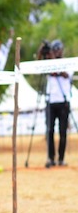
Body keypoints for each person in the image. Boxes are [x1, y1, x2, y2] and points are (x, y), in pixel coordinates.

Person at [43, 39, 72, 168]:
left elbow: (64, 74)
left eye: (57, 49)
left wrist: (53, 58)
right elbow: (40, 64)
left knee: (62, 131)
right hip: (50, 101)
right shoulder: (49, 63)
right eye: (54, 49)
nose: (56, 51)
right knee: (49, 130)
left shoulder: (68, 64)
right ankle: (50, 158)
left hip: (63, 102)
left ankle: (61, 158)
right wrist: (42, 51)